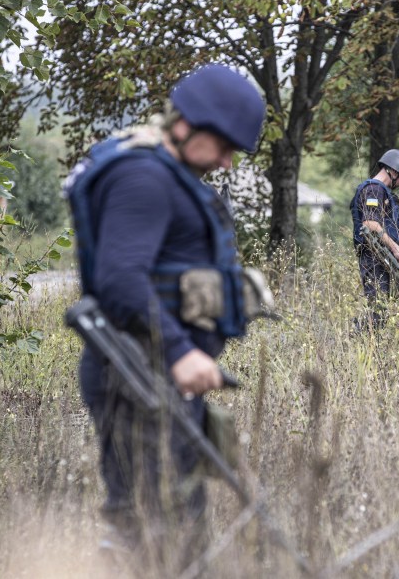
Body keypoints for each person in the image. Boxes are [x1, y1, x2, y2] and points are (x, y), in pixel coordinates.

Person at [64, 64, 265, 575]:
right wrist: (180, 352)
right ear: (188, 124)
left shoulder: (166, 171)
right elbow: (120, 279)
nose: (224, 161)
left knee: (175, 517)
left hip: (156, 374)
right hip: (141, 374)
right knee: (150, 522)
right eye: (223, 147)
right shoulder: (144, 177)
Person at [349, 149, 399, 327]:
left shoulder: (380, 191)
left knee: (381, 310)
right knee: (378, 312)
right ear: (393, 171)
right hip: (374, 257)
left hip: (381, 257)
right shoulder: (373, 190)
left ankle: (364, 344)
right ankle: (355, 341)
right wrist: (396, 248)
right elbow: (370, 224)